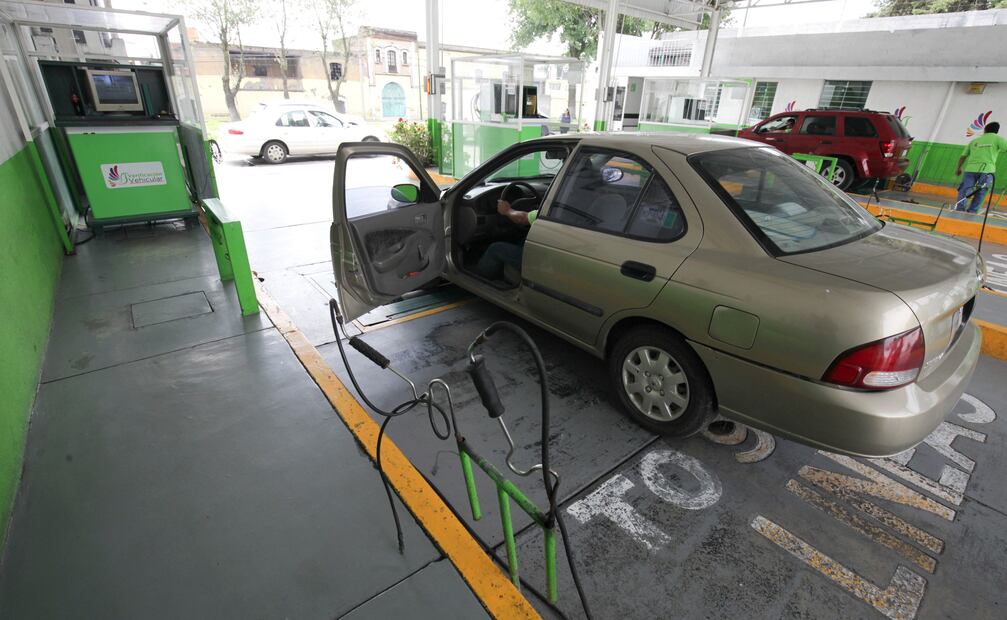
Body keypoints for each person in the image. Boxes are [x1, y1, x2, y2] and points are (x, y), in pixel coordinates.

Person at [475, 200, 538, 280]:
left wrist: (507, 210)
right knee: (521, 241)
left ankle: (478, 278)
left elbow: (522, 218)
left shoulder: (549, 212)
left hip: (537, 260)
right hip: (543, 257)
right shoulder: (553, 211)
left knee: (495, 249)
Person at [955, 121, 1007, 213]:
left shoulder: (974, 141)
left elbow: (963, 156)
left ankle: (959, 209)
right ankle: (972, 211)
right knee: (982, 191)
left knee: (965, 189)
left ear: (985, 130)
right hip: (987, 170)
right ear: (997, 131)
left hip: (970, 169)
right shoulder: (998, 139)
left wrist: (958, 168)